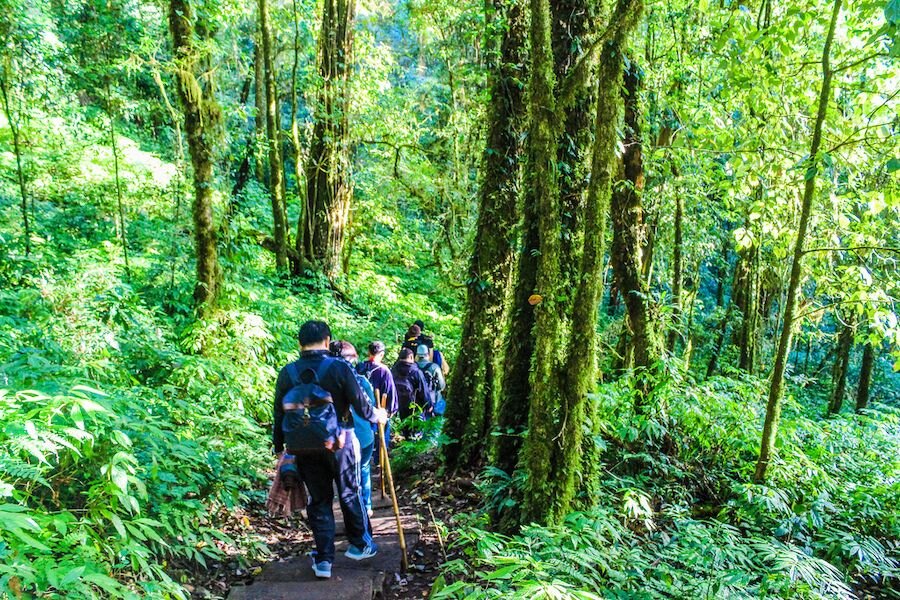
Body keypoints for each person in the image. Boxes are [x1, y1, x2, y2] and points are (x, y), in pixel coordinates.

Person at [273, 321, 388, 580]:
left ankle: (323, 560)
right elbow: (360, 405)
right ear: (327, 340)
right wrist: (377, 416)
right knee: (349, 492)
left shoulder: (287, 372)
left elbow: (278, 413)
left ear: (300, 343)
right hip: (341, 442)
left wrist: (280, 446)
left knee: (319, 500)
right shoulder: (339, 367)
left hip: (303, 447)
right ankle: (359, 545)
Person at [331, 340, 377, 518]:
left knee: (347, 475)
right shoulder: (362, 381)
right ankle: (365, 506)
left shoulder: (327, 381)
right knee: (363, 469)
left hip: (339, 437)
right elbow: (370, 406)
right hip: (363, 434)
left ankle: (355, 509)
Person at [356, 340, 398, 454]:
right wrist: (391, 410)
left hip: (362, 409)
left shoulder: (360, 367)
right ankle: (379, 462)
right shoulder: (384, 371)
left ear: (368, 352)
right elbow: (390, 391)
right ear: (381, 354)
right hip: (379, 410)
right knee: (381, 437)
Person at [391, 348, 430, 431]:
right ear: (411, 357)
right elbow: (423, 390)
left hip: (400, 405)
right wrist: (428, 404)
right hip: (415, 406)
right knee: (417, 429)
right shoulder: (415, 371)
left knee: (405, 427)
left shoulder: (394, 370)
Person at [415, 344, 446, 415]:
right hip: (435, 400)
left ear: (417, 355)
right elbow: (441, 386)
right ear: (428, 354)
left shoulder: (413, 368)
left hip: (418, 402)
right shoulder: (434, 367)